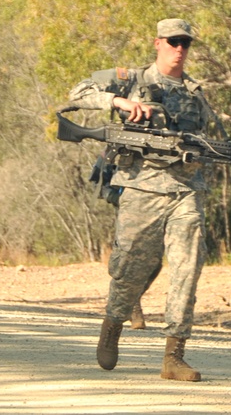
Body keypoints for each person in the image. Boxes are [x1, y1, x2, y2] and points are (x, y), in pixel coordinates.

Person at [66, 19, 217, 382]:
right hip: (140, 187)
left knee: (187, 268)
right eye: (174, 42)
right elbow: (77, 92)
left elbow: (205, 140)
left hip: (185, 191)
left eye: (186, 43)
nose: (180, 48)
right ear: (158, 43)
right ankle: (113, 324)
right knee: (131, 266)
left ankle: (174, 355)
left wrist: (203, 154)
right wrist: (118, 100)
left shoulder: (196, 92)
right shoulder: (131, 78)